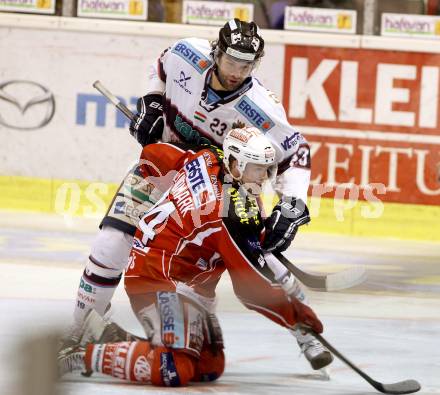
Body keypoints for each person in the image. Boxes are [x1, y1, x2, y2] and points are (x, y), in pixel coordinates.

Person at [62, 18, 330, 369]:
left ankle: (304, 330)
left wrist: (293, 201)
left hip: (217, 190)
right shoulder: (187, 53)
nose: (237, 72)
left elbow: (297, 151)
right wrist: (152, 102)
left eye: (246, 65)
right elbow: (160, 65)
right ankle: (79, 331)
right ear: (216, 52)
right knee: (111, 243)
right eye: (232, 61)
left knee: (255, 263)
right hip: (160, 170)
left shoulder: (261, 107)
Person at [58, 127, 331, 386]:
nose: (262, 177)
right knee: (175, 368)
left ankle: (113, 340)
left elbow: (154, 154)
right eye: (256, 168)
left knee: (209, 366)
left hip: (183, 281)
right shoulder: (227, 215)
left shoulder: (208, 156)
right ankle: (80, 355)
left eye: (266, 169)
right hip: (156, 278)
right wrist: (298, 318)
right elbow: (251, 289)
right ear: (235, 164)